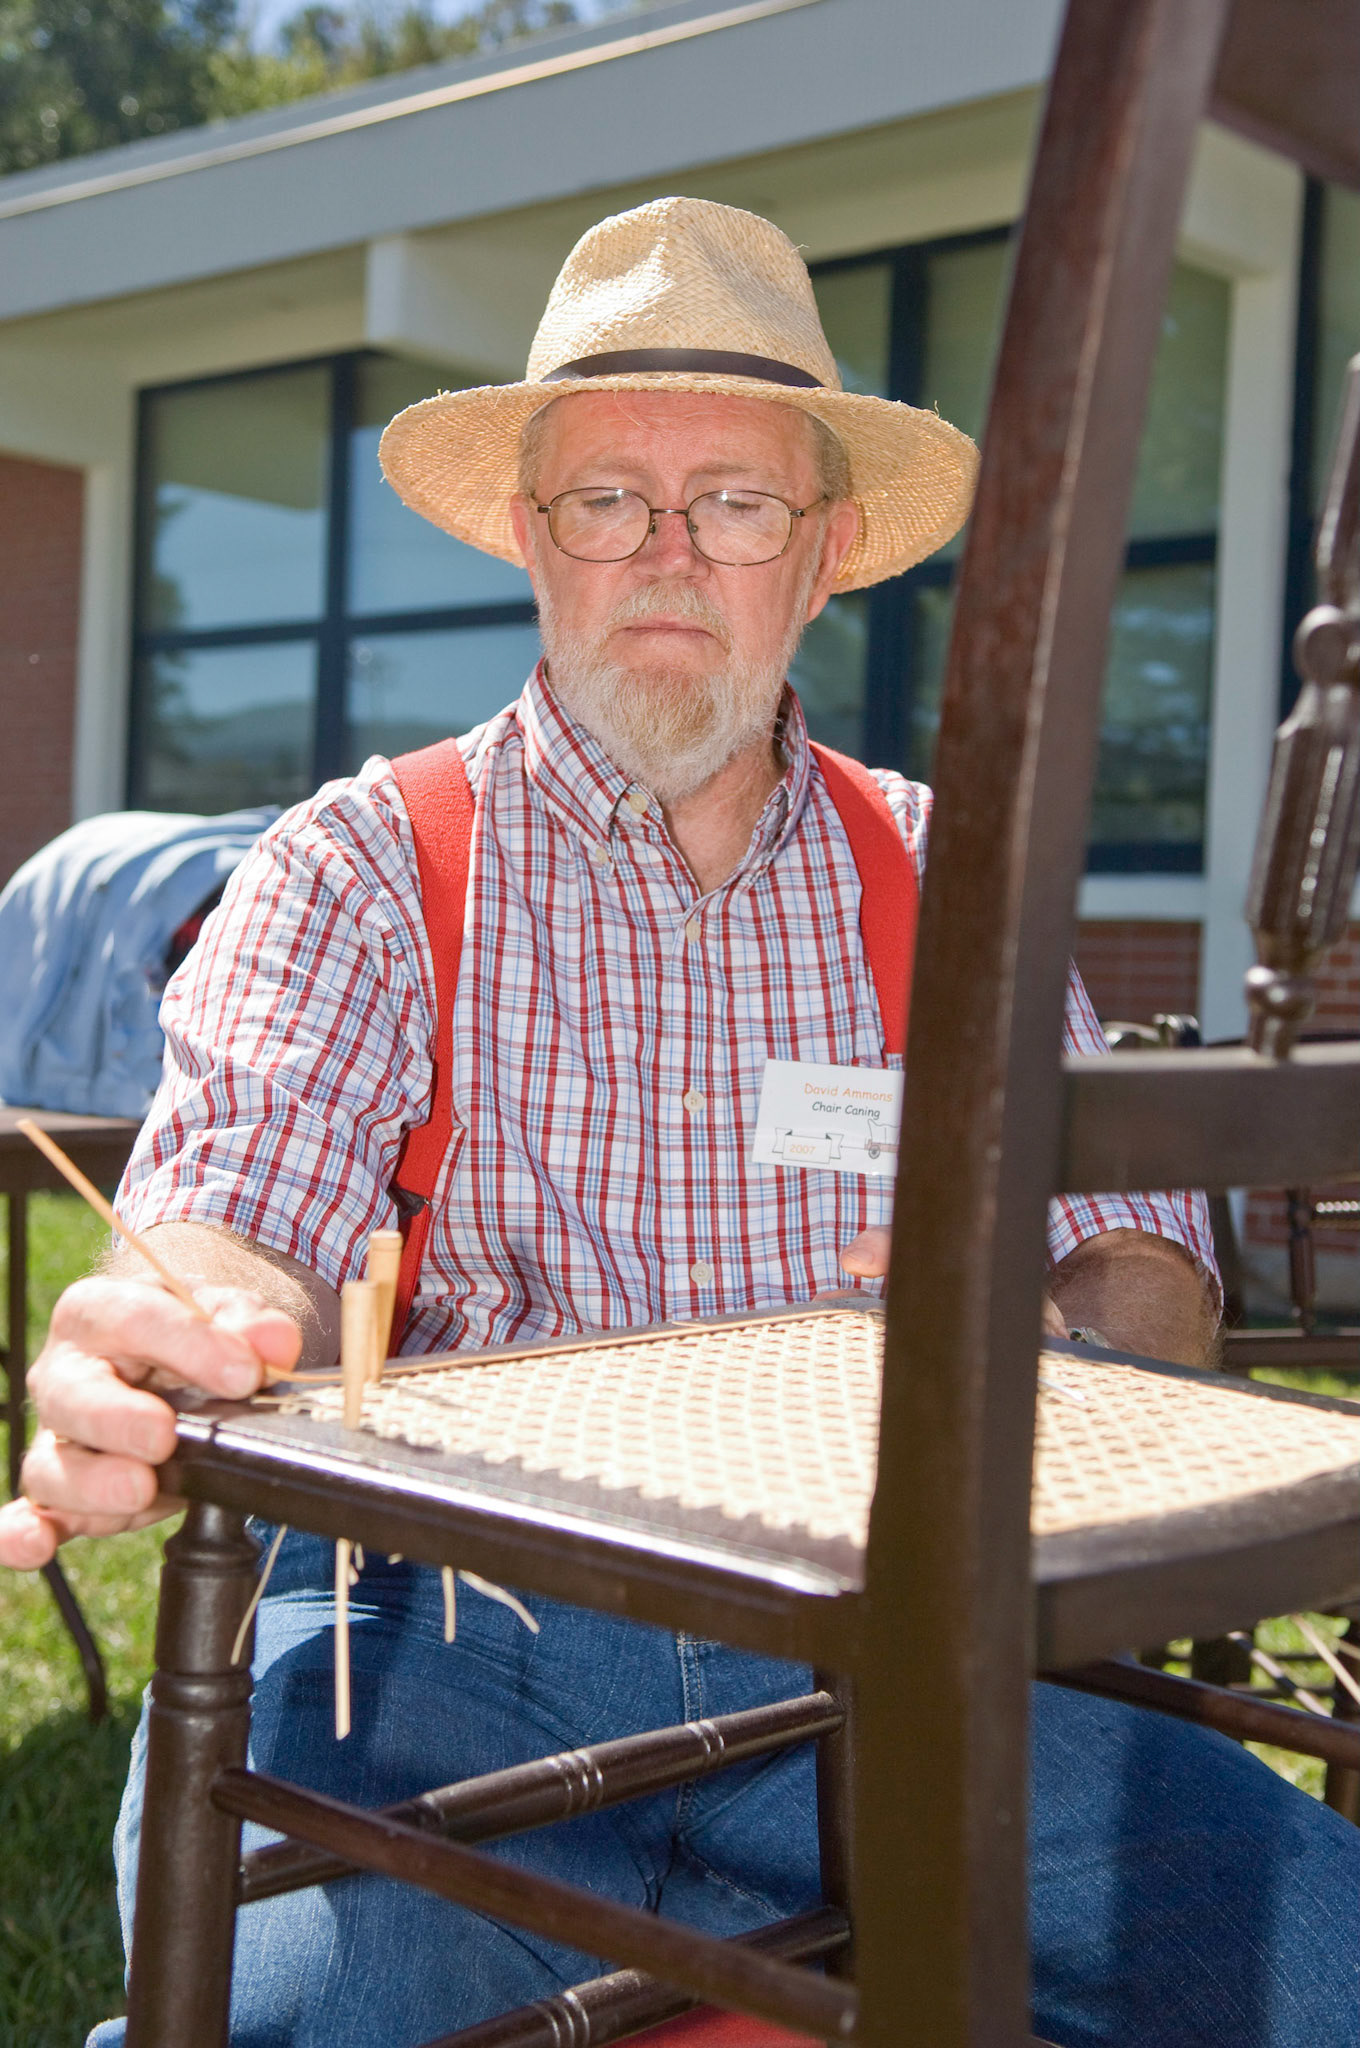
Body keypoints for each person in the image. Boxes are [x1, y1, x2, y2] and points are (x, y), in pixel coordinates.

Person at [0, 198, 1352, 2047]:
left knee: (1327, 1962)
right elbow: (244, 1216)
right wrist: (186, 1324)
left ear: (826, 552)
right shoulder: (368, 863)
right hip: (449, 1641)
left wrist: (1075, 1365)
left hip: (901, 1637)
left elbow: (1144, 1260)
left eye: (730, 501)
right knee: (293, 2013)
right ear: (528, 539)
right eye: (604, 501)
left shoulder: (947, 876)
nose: (664, 554)